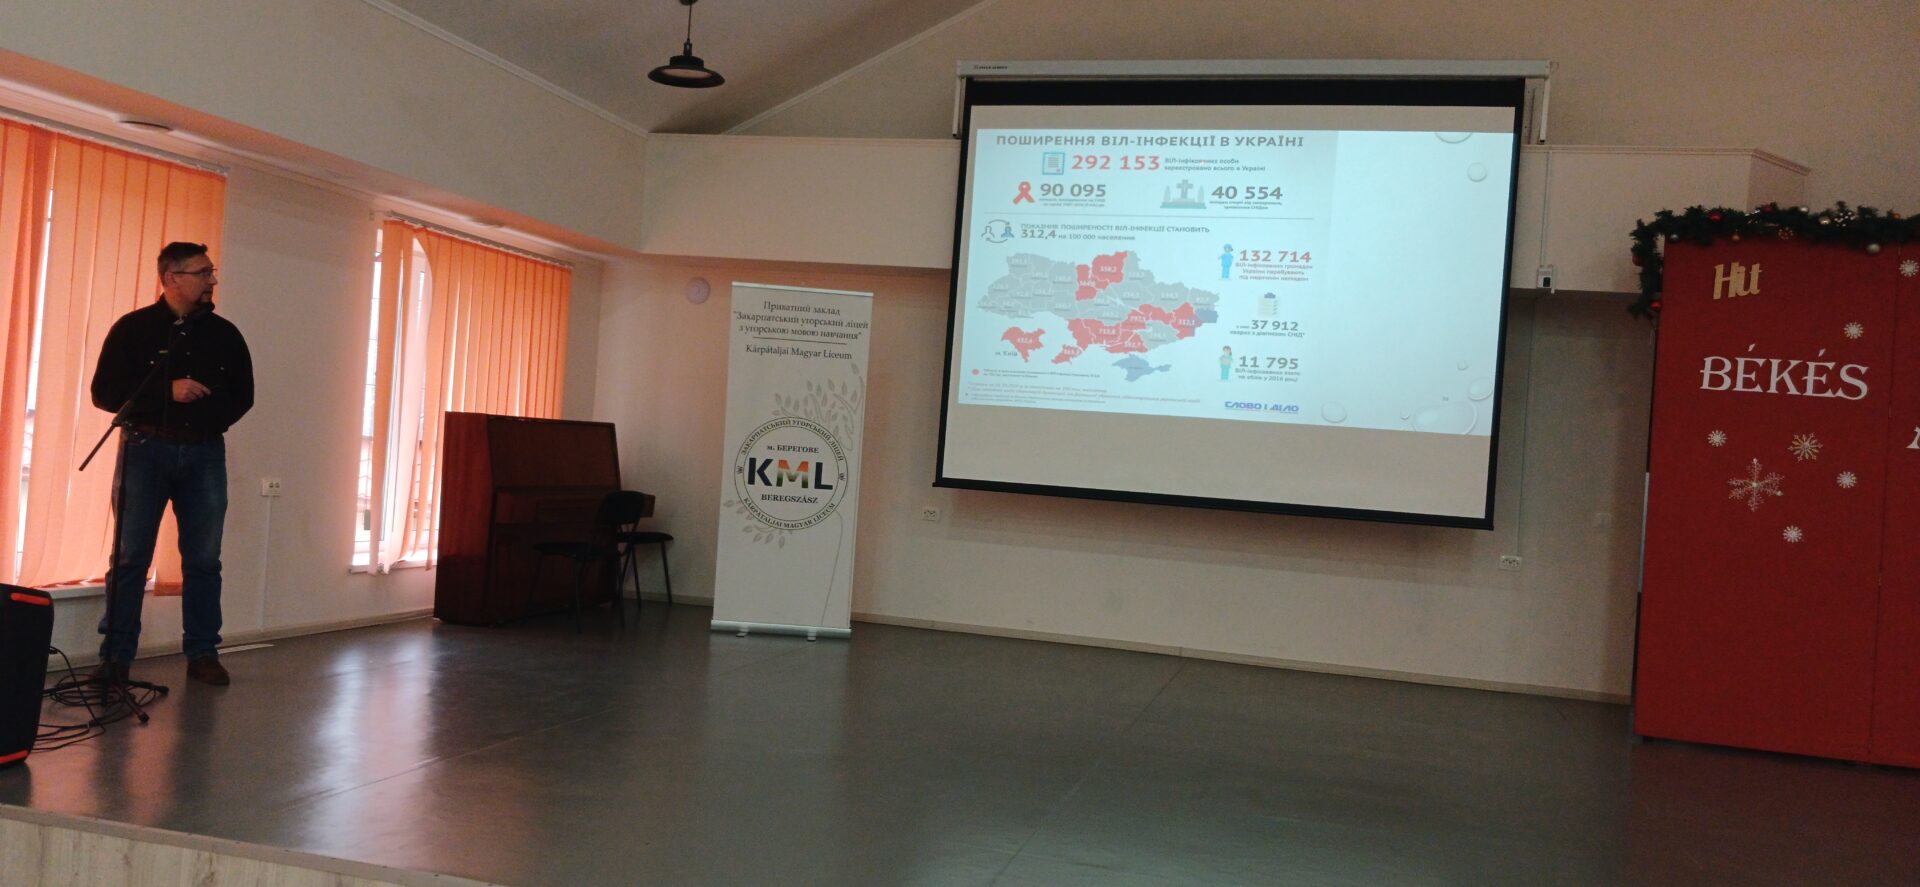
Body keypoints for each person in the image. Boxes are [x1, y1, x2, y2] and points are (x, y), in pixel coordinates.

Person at [88, 242, 254, 686]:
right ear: (172, 278)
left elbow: (243, 396)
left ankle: (202, 653)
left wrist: (206, 420)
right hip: (144, 449)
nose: (212, 280)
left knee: (203, 559)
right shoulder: (133, 329)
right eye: (202, 273)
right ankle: (115, 657)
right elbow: (104, 392)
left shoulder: (225, 335)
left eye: (211, 272)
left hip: (204, 453)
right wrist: (168, 390)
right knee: (130, 557)